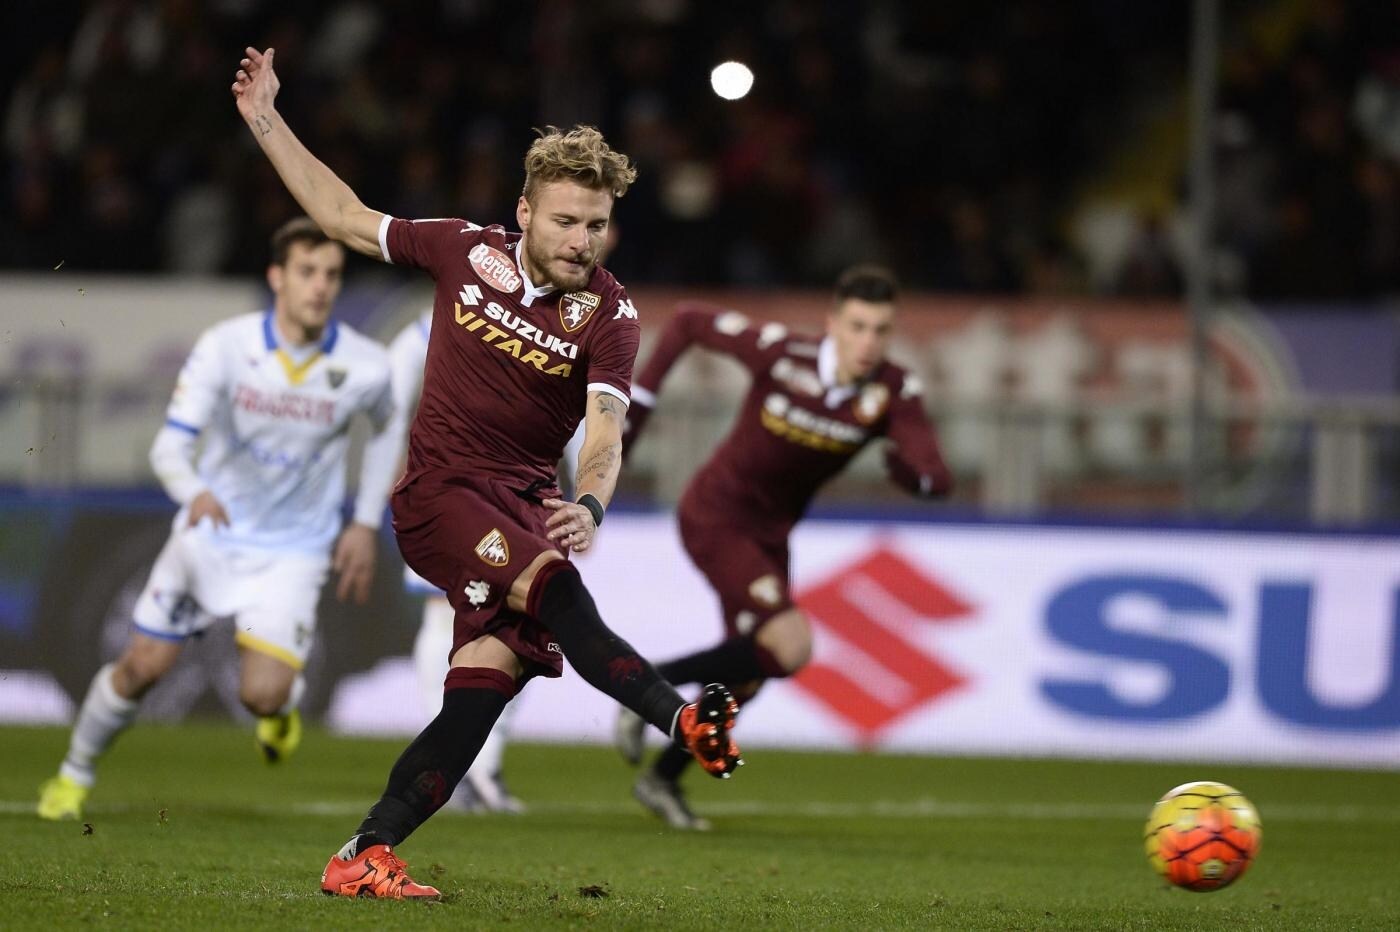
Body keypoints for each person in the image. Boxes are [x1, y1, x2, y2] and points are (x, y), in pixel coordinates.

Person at [231, 46, 742, 900]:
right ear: (524, 212)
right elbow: (343, 215)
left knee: (482, 692)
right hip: (440, 499)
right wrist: (264, 118)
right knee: (561, 594)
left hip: (524, 507)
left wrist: (590, 501)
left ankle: (364, 852)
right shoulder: (463, 251)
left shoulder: (610, 315)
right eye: (566, 221)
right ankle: (680, 719)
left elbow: (606, 430)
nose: (582, 241)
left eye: (596, 225)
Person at [37, 217, 401, 821]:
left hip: (293, 552)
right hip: (210, 538)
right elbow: (169, 447)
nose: (320, 287)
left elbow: (389, 429)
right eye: (307, 272)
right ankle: (73, 775)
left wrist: (365, 521)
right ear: (277, 277)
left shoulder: (366, 365)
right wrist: (194, 492)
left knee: (261, 695)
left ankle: (276, 711)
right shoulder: (226, 347)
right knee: (141, 667)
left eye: (332, 275)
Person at [615, 265, 953, 829]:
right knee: (789, 645)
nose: (868, 343)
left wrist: (912, 476)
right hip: (716, 515)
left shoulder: (892, 390)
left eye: (880, 330)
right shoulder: (783, 354)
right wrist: (634, 418)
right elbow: (688, 321)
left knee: (749, 674)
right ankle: (645, 682)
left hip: (770, 537)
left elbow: (936, 477)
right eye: (858, 326)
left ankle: (661, 778)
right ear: (833, 324)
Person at [388, 310, 524, 814]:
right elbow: (389, 398)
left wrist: (580, 488)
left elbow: (575, 406)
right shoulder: (435, 321)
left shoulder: (544, 321)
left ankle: (485, 765)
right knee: (442, 614)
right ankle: (448, 766)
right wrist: (390, 463)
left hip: (519, 490)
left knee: (522, 627)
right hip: (442, 486)